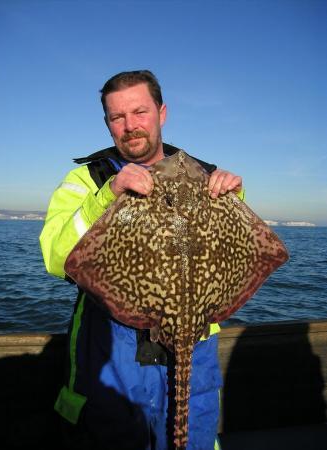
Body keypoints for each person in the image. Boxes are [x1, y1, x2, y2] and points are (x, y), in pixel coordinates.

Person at [40, 70, 244, 450]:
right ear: (107, 123)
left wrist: (234, 199)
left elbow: (238, 256)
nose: (130, 125)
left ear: (162, 112)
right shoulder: (87, 179)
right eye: (118, 117)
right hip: (112, 372)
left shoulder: (205, 176)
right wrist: (107, 195)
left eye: (140, 111)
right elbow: (57, 258)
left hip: (193, 363)